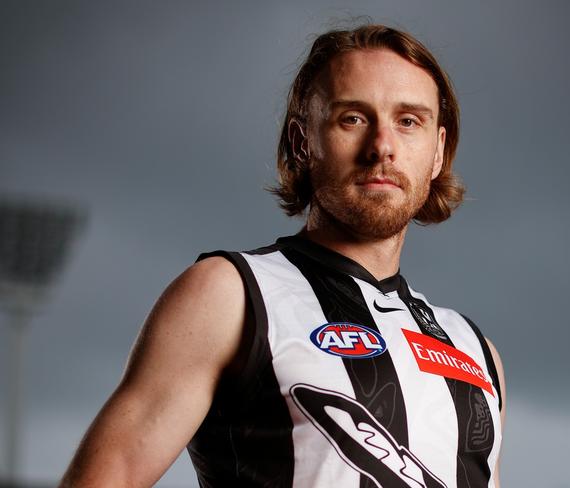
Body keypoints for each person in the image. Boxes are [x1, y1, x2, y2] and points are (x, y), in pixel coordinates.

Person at [60, 24, 505, 488]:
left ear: (437, 153)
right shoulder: (227, 294)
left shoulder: (475, 349)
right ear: (302, 141)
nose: (382, 147)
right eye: (352, 118)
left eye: (408, 121)